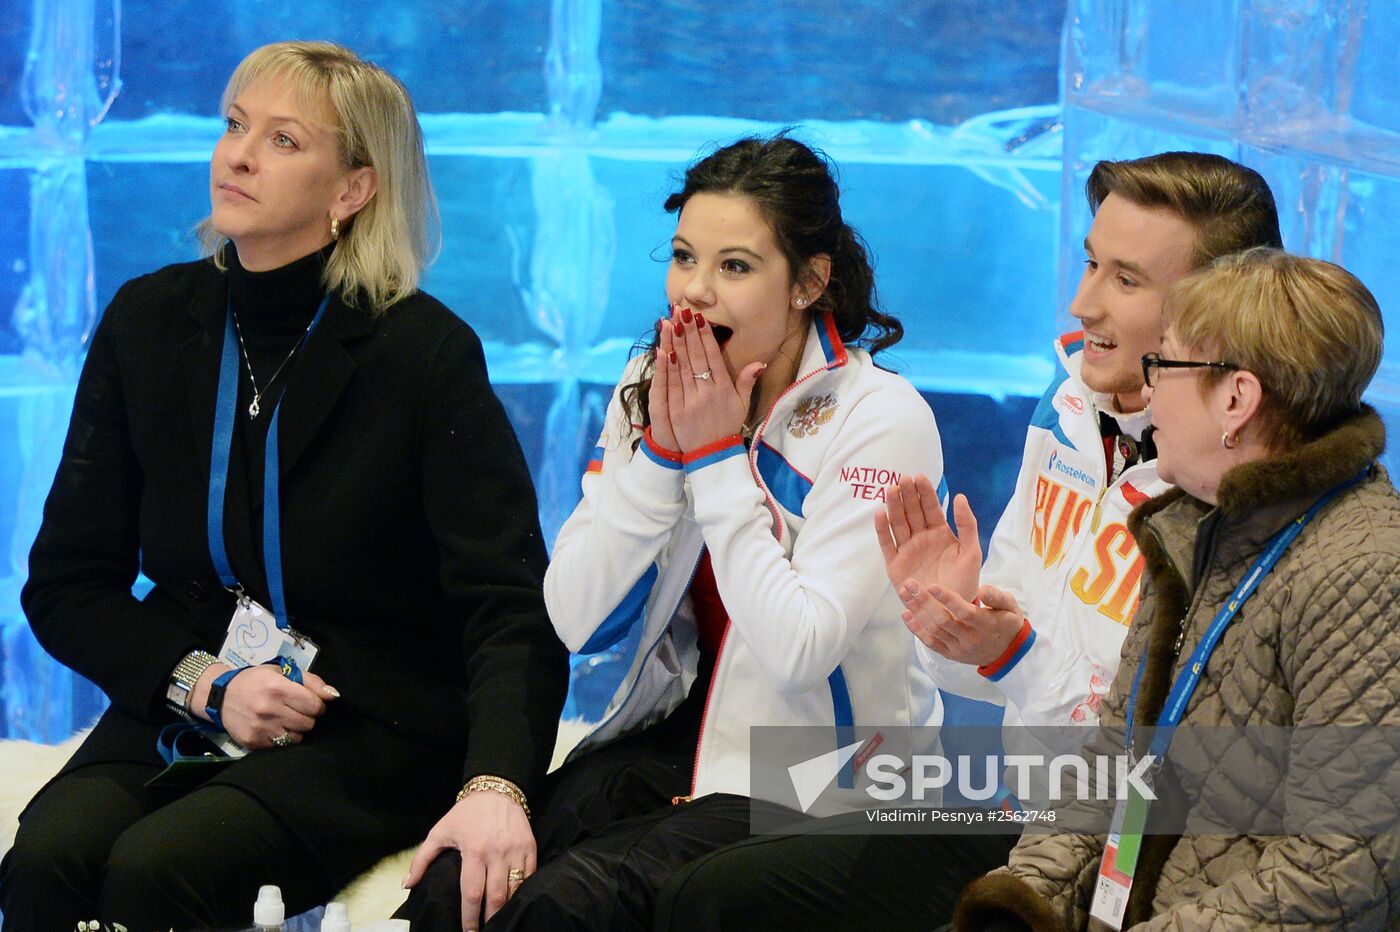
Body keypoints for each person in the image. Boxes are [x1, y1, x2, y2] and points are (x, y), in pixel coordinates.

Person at [0, 41, 568, 930]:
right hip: (191, 692)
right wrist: (203, 684)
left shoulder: (422, 353)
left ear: (353, 190)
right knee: (45, 861)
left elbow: (509, 604)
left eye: (284, 139)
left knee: (160, 869)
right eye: (234, 125)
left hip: (369, 723)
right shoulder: (148, 322)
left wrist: (499, 784)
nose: (238, 153)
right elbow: (67, 581)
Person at [653, 151, 1284, 930]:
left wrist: (1010, 651)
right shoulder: (1070, 414)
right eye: (1090, 263)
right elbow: (988, 684)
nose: (1083, 302)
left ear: (1214, 313)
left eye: (1125, 281)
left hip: (1126, 854)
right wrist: (955, 623)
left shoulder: (1239, 497)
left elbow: (1154, 770)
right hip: (1019, 814)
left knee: (715, 892)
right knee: (690, 869)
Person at [396, 134, 946, 930]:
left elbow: (801, 650)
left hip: (827, 773)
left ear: (809, 283)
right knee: (462, 884)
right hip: (688, 733)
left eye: (735, 266)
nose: (695, 292)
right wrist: (661, 453)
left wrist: (719, 458)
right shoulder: (653, 380)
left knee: (567, 906)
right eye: (685, 257)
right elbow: (574, 615)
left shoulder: (880, 418)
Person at [957, 248, 1400, 929]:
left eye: (1164, 364)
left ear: (1236, 399)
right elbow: (1112, 764)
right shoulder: (1192, 522)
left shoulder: (1367, 569)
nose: (1149, 387)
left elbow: (1343, 865)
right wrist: (1021, 907)